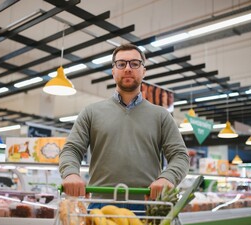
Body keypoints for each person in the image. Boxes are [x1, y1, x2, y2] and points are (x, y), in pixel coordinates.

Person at [59, 43, 189, 207]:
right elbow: (71, 149)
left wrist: (167, 178)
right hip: (101, 206)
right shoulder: (91, 113)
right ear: (113, 71)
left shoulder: (162, 116)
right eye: (121, 64)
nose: (128, 68)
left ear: (143, 70)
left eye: (135, 64)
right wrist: (70, 174)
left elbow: (180, 156)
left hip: (149, 207)